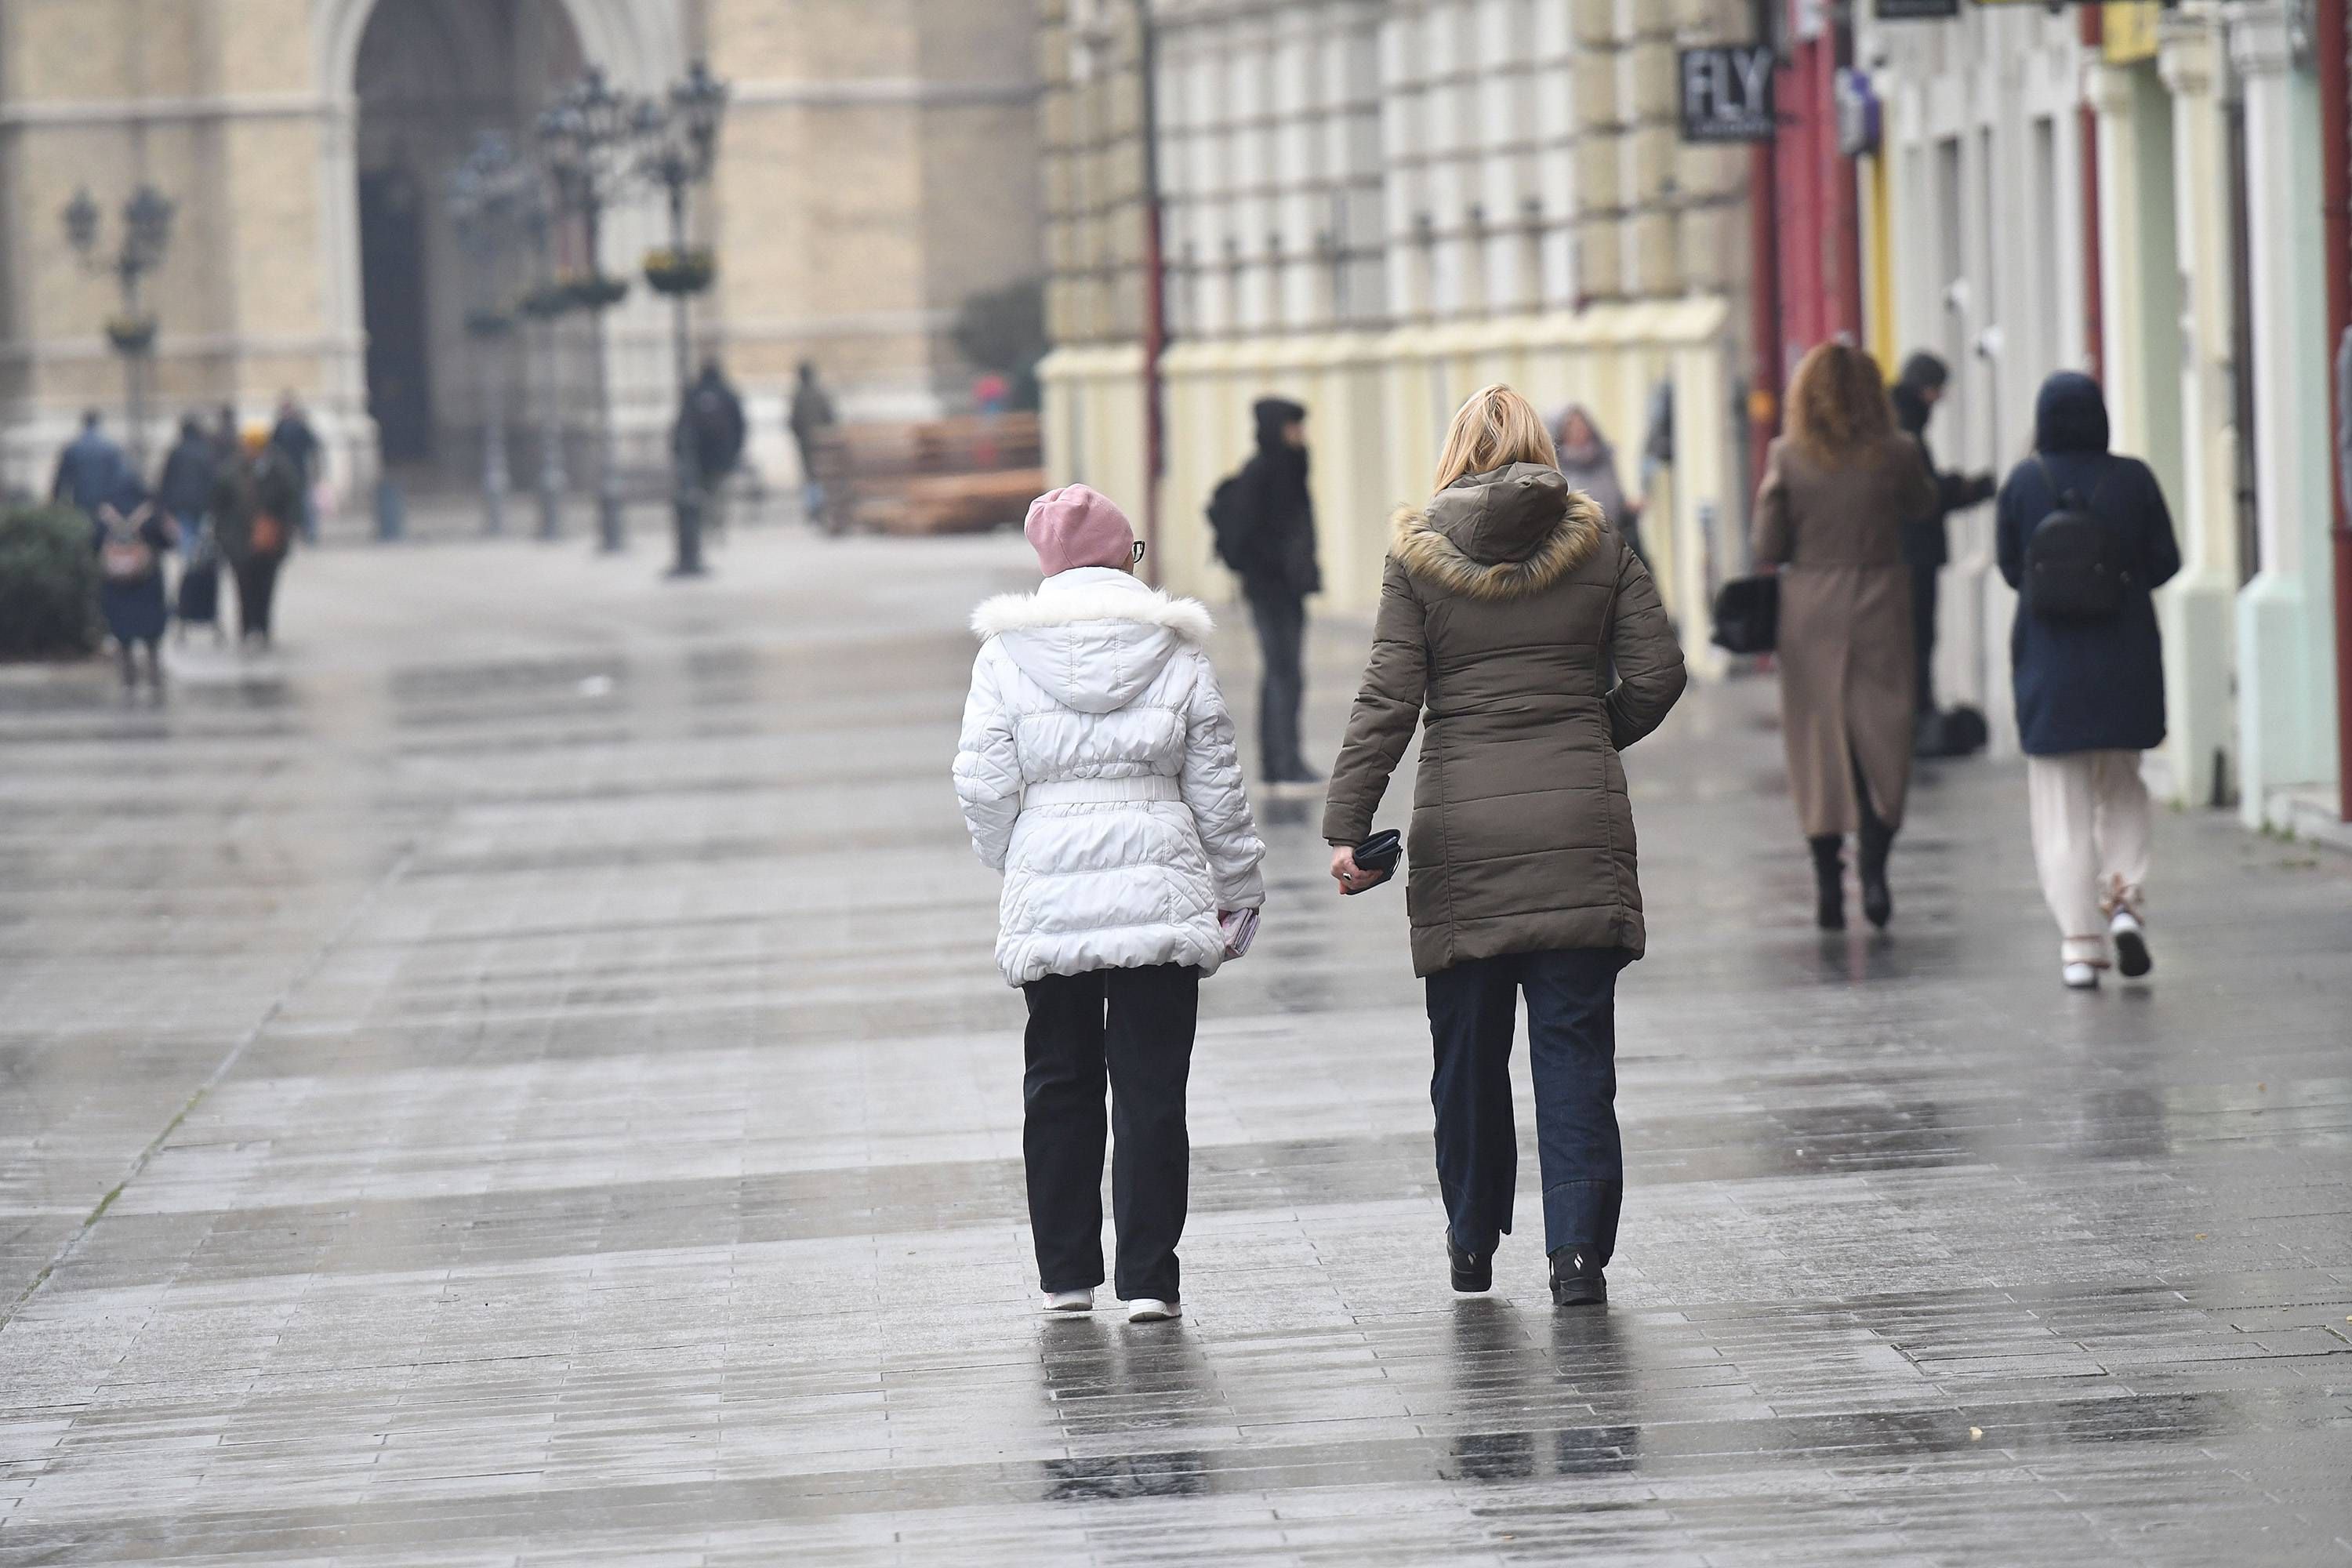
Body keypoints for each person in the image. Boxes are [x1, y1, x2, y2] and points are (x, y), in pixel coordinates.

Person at [1323, 384, 1686, 1308]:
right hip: (1576, 827)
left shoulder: (1419, 559)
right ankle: (1576, 1258)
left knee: (1468, 1055)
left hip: (1465, 835)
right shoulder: (1599, 544)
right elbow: (1658, 671)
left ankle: (1472, 1240)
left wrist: (1347, 825)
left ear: (1453, 454)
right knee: (1573, 1053)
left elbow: (1388, 699)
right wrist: (1589, 731)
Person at [954, 483, 1266, 1325]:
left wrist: (1017, 857)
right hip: (1159, 883)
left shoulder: (1006, 655)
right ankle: (1149, 1279)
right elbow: (1217, 785)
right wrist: (1238, 887)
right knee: (1151, 1085)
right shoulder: (1174, 648)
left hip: (1050, 881)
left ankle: (1066, 1274)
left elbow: (982, 784)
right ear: (1125, 558)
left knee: (1057, 1079)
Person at [1995, 372, 2182, 992]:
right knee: (2122, 785)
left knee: (2061, 808)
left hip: (2049, 668)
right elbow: (2166, 561)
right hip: (2123, 660)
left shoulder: (2024, 482)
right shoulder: (2133, 478)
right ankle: (2124, 898)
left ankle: (2080, 945)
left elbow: (2009, 567)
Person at [1753, 343, 1938, 932]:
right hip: (1881, 602)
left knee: (1817, 745)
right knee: (1884, 735)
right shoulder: (1897, 452)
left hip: (1810, 610)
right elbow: (1923, 505)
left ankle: (1829, 882)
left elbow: (1767, 547)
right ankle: (1877, 870)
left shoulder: (1787, 457)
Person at [1207, 397, 1323, 786]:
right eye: (1293, 426)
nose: (1300, 434)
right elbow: (1249, 534)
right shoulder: (1263, 472)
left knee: (1287, 673)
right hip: (1270, 590)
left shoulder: (1292, 468)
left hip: (1288, 588)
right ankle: (1281, 762)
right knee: (1282, 673)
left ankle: (1285, 760)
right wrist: (1275, 566)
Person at [1891, 352, 1996, 737]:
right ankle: (1919, 714)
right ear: (1926, 389)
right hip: (1913, 552)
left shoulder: (1900, 421)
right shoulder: (1905, 428)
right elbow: (1923, 494)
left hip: (1908, 551)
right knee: (1919, 634)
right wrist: (1968, 489)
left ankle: (1918, 711)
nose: (1940, 400)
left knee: (1917, 635)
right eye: (1938, 390)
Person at [212, 426, 301, 648]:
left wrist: (285, 528)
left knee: (266, 586)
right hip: (238, 541)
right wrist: (223, 536)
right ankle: (246, 628)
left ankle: (263, 627)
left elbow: (291, 501)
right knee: (243, 586)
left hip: (271, 540)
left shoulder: (279, 469)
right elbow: (218, 506)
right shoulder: (230, 471)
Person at [92, 473, 176, 692]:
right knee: (151, 630)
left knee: (123, 630)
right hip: (148, 582)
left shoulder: (105, 513)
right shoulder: (150, 512)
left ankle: (128, 676)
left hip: (116, 583)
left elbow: (93, 543)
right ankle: (153, 671)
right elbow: (168, 542)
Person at [1552, 402, 1643, 566]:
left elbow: (1617, 496)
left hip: (1614, 541)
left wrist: (1629, 507)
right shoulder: (1557, 465)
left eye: (1581, 424)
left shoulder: (1604, 458)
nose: (1578, 430)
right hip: (1579, 548)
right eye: (1572, 426)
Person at [681, 360, 747, 535]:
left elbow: (683, 424)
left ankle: (707, 523)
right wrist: (736, 450)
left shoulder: (694, 393)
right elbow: (740, 425)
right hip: (723, 454)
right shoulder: (727, 394)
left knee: (702, 492)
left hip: (699, 454)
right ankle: (717, 524)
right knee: (719, 491)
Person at [157, 414, 217, 554]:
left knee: (186, 538)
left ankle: (190, 565)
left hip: (181, 504)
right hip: (201, 503)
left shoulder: (177, 452)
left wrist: (163, 505)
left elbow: (167, 480)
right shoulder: (205, 451)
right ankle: (197, 565)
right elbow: (212, 478)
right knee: (201, 537)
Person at [786, 361, 837, 523]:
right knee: (822, 475)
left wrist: (800, 435)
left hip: (806, 442)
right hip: (822, 442)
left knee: (810, 476)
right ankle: (821, 507)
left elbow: (793, 421)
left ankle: (814, 508)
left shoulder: (798, 396)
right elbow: (830, 418)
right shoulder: (820, 394)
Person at [269, 394, 321, 543]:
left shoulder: (289, 428)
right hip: (290, 472)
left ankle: (307, 532)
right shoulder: (287, 427)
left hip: (295, 472)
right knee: (299, 504)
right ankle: (305, 533)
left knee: (304, 504)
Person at [51, 410, 126, 514]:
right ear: (98, 423)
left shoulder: (73, 448)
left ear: (84, 423)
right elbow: (120, 477)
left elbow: (61, 478)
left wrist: (55, 502)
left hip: (80, 500)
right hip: (105, 504)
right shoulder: (111, 448)